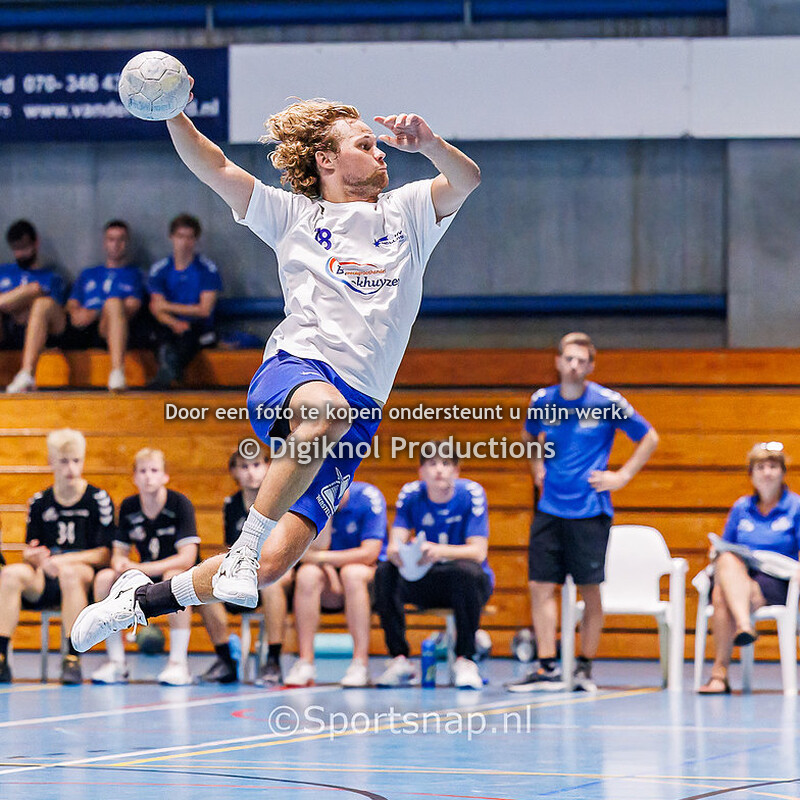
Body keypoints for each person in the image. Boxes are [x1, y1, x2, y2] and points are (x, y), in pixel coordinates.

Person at [70, 92, 480, 654]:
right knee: (323, 418)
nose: (381, 152)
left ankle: (137, 601)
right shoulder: (292, 215)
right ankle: (244, 545)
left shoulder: (408, 211)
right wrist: (172, 113)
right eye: (365, 144)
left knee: (271, 567)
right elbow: (215, 166)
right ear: (327, 160)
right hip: (296, 369)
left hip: (362, 406)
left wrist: (430, 144)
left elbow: (467, 179)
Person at [508, 332, 659, 693]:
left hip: (590, 511)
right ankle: (547, 667)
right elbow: (528, 436)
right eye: (568, 358)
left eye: (581, 360)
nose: (574, 365)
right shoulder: (542, 401)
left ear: (590, 366)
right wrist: (536, 466)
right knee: (540, 586)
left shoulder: (607, 402)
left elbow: (649, 437)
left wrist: (621, 476)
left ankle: (583, 668)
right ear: (558, 362)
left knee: (589, 589)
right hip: (549, 508)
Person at [0, 429, 113, 683]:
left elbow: (104, 554)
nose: (71, 468)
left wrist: (59, 561)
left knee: (70, 574)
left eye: (76, 460)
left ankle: (72, 658)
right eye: (63, 461)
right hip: (45, 575)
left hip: (81, 578)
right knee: (10, 574)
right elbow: (32, 549)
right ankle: (1, 657)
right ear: (51, 461)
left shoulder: (97, 498)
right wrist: (36, 558)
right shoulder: (40, 501)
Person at [374, 448, 492, 690]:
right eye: (432, 463)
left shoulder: (472, 493)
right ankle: (400, 660)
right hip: (426, 579)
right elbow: (395, 542)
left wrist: (439, 550)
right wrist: (400, 552)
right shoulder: (410, 493)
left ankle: (465, 659)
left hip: (466, 583)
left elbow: (478, 552)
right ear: (421, 472)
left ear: (456, 471)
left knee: (466, 572)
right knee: (385, 571)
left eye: (446, 463)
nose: (439, 470)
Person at [91, 449, 199, 685]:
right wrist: (120, 563)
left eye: (154, 470)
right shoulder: (129, 506)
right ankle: (117, 662)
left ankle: (178, 664)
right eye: (142, 471)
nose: (148, 476)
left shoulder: (180, 504)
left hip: (172, 573)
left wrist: (140, 567)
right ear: (134, 477)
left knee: (175, 577)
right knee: (104, 578)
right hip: (143, 574)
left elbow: (187, 558)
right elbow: (119, 552)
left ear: (165, 476)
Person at [698, 442, 800, 694]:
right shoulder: (741, 507)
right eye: (761, 467)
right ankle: (744, 624)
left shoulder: (795, 506)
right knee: (725, 560)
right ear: (751, 474)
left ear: (783, 472)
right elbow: (726, 545)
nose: (767, 472)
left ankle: (719, 675)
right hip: (740, 574)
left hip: (775, 580)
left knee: (720, 595)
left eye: (773, 466)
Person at [198, 450, 295, 686]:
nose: (251, 472)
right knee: (203, 581)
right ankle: (225, 658)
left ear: (268, 466)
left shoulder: (281, 500)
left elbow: (286, 550)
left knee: (273, 585)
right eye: (244, 467)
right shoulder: (231, 504)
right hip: (245, 573)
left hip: (276, 573)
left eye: (256, 465)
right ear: (234, 472)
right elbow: (230, 547)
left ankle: (273, 661)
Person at [286, 481, 386, 688]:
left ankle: (360, 664)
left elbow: (369, 554)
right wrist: (326, 511)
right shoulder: (310, 500)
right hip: (331, 578)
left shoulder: (369, 496)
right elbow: (309, 554)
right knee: (307, 574)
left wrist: (323, 559)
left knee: (352, 574)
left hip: (367, 579)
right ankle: (305, 662)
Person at [64, 220, 146, 391]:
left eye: (121, 239)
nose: (116, 244)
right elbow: (72, 305)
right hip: (85, 331)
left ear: (127, 243)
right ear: (104, 242)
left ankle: (117, 372)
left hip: (114, 328)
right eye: (111, 239)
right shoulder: (88, 274)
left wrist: (96, 312)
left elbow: (133, 306)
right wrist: (77, 314)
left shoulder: (135, 274)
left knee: (114, 303)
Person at [147, 214, 222, 387]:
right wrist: (174, 323)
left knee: (190, 338)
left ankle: (168, 373)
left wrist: (168, 306)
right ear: (171, 237)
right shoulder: (160, 270)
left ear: (196, 240)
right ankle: (170, 373)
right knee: (160, 337)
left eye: (189, 237)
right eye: (180, 236)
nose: (185, 243)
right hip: (169, 324)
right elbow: (156, 308)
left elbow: (204, 310)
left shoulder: (206, 269)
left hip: (198, 327)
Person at [1, 220, 68, 393]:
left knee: (40, 301)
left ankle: (27, 374)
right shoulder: (3, 273)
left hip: (45, 333)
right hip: (9, 330)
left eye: (24, 247)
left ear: (35, 243)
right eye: (16, 249)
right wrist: (25, 295)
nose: (20, 253)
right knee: (32, 291)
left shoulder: (52, 276)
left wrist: (17, 301)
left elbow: (57, 311)